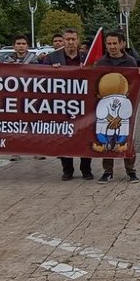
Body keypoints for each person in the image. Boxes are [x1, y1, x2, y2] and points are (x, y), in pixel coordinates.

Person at [42, 28, 93, 180]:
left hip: (83, 104)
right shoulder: (51, 58)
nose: (70, 42)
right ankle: (67, 169)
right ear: (62, 41)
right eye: (67, 39)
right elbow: (40, 78)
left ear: (78, 40)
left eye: (73, 39)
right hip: (61, 104)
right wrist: (51, 71)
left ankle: (86, 169)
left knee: (85, 136)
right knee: (64, 136)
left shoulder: (87, 58)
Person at [94, 32, 140, 183]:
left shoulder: (130, 61)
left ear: (122, 44)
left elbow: (134, 85)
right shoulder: (101, 63)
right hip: (106, 109)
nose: (112, 47)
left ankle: (131, 170)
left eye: (115, 43)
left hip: (125, 108)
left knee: (126, 138)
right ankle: (108, 171)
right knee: (106, 139)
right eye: (109, 44)